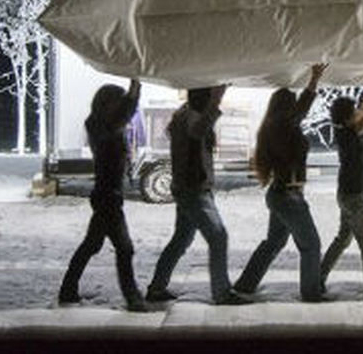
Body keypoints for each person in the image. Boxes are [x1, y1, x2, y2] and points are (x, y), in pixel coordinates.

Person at [146, 84, 251, 305]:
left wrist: (213, 101)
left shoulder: (184, 114)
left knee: (181, 239)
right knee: (218, 236)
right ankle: (221, 293)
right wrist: (216, 101)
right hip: (193, 189)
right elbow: (198, 131)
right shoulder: (190, 117)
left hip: (188, 187)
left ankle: (156, 288)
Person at [234, 63, 329, 302]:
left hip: (281, 194)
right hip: (288, 196)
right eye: (293, 103)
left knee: (273, 242)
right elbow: (302, 109)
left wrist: (314, 80)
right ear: (287, 107)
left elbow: (301, 110)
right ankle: (311, 293)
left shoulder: (274, 126)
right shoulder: (283, 126)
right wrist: (314, 80)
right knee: (311, 245)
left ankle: (246, 284)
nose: (296, 108)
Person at [58, 79, 151, 312]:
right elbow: (125, 113)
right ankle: (133, 298)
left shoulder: (105, 125)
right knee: (125, 248)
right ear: (105, 104)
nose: (120, 107)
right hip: (106, 197)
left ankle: (68, 290)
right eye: (116, 102)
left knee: (91, 245)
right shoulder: (99, 126)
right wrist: (134, 89)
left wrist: (134, 90)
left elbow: (123, 115)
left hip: (107, 196)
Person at [320, 69, 363, 297]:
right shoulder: (349, 135)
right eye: (353, 111)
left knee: (342, 239)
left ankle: (317, 277)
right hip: (353, 197)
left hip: (347, 194)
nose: (357, 112)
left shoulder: (343, 132)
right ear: (348, 117)